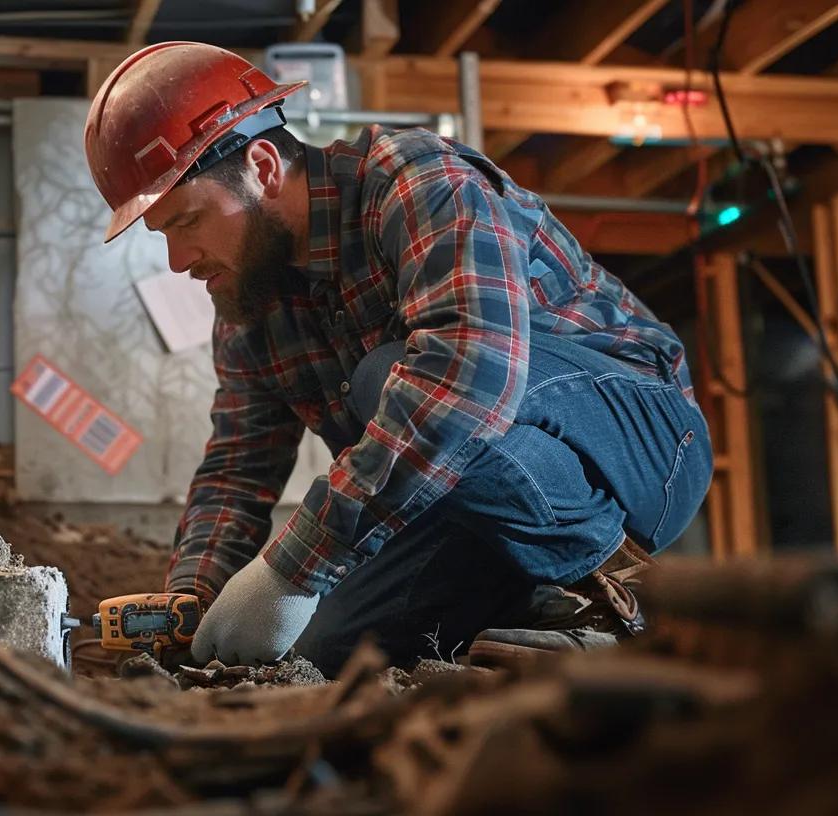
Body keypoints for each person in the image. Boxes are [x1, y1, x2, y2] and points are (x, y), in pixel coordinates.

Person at [83, 42, 713, 674]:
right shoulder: (253, 306)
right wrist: (197, 596)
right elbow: (237, 473)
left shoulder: (416, 182)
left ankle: (615, 602)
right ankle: (532, 602)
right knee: (319, 652)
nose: (176, 259)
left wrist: (291, 567)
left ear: (264, 166)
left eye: (186, 221)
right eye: (161, 233)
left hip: (646, 449)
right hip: (473, 502)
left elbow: (468, 376)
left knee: (390, 378)